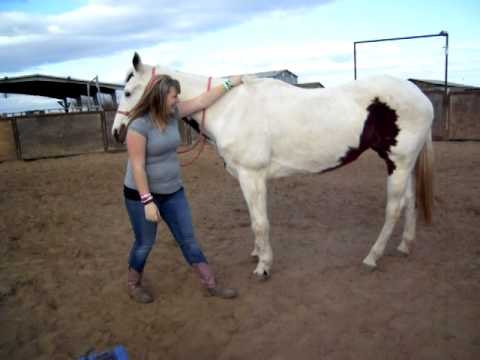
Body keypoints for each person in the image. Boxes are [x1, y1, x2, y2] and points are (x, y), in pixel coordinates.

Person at [123, 73, 241, 303]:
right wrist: (147, 201)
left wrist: (228, 84)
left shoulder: (173, 114)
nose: (177, 101)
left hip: (173, 191)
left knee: (188, 239)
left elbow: (201, 102)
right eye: (174, 97)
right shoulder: (138, 126)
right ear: (159, 97)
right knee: (145, 243)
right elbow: (137, 166)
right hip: (140, 195)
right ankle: (133, 283)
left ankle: (210, 284)